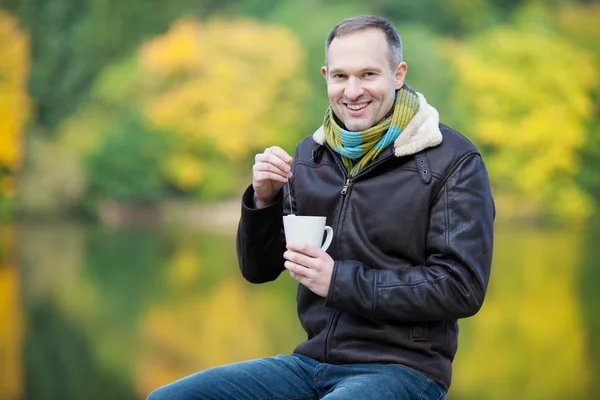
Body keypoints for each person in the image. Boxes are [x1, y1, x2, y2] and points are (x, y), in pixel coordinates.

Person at [148, 15, 494, 400]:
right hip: (311, 364)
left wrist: (339, 280)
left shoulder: (452, 160)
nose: (353, 90)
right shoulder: (310, 156)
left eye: (368, 74)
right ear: (326, 76)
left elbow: (461, 287)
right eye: (341, 77)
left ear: (398, 75)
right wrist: (264, 199)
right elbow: (258, 270)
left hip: (406, 370)